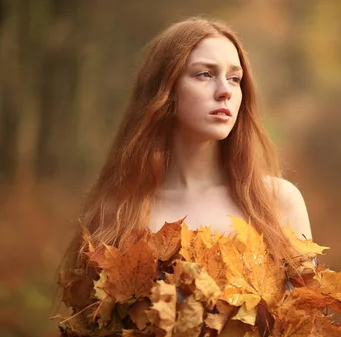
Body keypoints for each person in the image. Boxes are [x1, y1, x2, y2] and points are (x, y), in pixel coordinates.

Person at [62, 16, 312, 272]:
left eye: (235, 79)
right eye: (205, 74)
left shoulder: (277, 203)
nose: (225, 91)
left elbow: (305, 308)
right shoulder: (119, 212)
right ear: (165, 89)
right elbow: (94, 310)